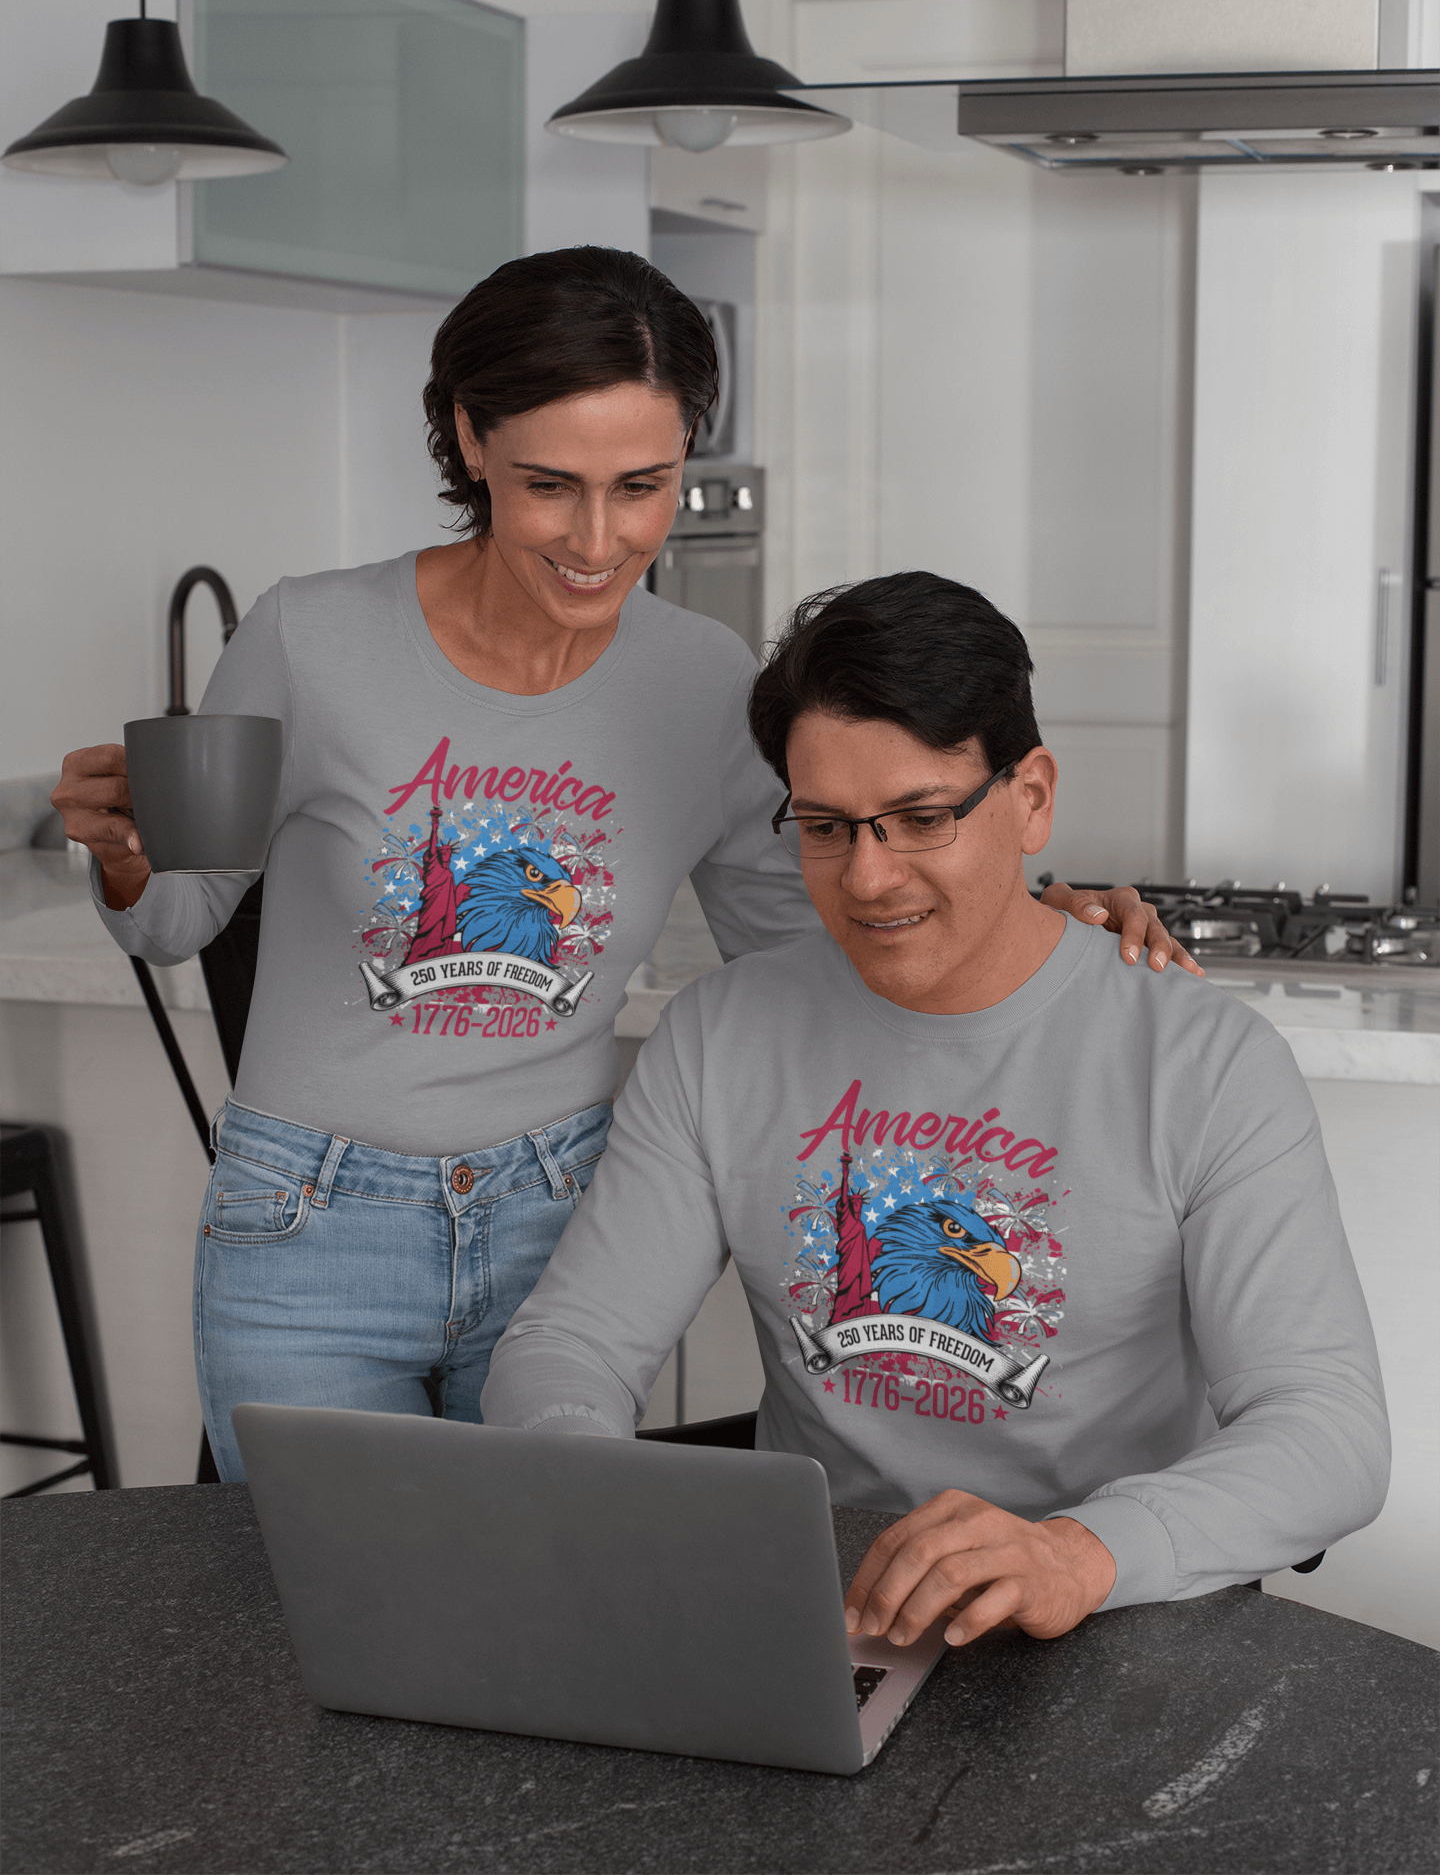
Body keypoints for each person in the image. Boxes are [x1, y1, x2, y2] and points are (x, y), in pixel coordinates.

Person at [52, 250, 1188, 1485]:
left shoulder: (705, 684)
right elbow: (177, 918)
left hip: (564, 1224)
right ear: (469, 437)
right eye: (551, 485)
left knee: (543, 1588)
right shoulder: (306, 636)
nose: (600, 540)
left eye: (642, 486)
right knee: (326, 1585)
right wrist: (126, 859)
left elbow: (826, 932)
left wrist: (1025, 917)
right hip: (307, 1224)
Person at [483, 571, 1388, 1648]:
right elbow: (574, 1340)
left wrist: (1077, 1554)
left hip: (1109, 1618)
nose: (868, 879)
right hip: (822, 1620)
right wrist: (589, 1481)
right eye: (826, 826)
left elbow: (1328, 1431)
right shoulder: (720, 1035)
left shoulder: (1204, 1060)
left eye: (921, 819)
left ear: (1031, 797)